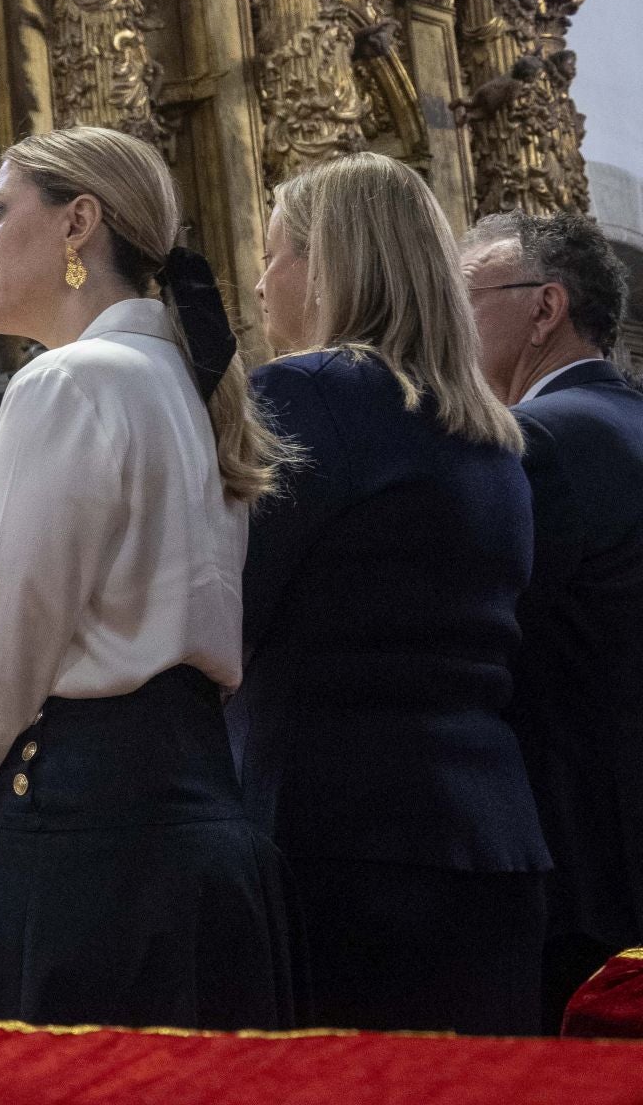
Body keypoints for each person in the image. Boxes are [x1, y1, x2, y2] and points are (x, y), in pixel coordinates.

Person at [0, 125, 297, 1028]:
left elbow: (3, 641)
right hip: (203, 824)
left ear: (78, 223)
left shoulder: (69, 384)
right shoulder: (188, 388)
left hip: (79, 838)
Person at [238, 153, 550, 1035]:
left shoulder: (304, 394)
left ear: (331, 265)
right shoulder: (493, 436)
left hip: (336, 838)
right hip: (491, 837)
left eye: (275, 255)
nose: (262, 284)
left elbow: (227, 613)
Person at [462, 210, 643, 1030]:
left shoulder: (539, 438)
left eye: (463, 295)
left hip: (585, 858)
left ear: (546, 308)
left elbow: (490, 638)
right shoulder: (624, 421)